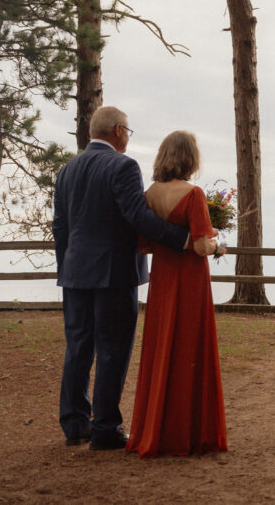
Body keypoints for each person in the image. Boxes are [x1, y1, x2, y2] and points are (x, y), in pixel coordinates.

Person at [54, 106, 190, 451]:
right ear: (117, 130)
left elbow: (61, 227)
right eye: (128, 131)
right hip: (114, 274)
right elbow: (137, 216)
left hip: (75, 274)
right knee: (113, 350)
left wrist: (67, 266)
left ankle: (74, 424)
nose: (128, 136)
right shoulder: (123, 166)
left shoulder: (67, 170)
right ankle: (105, 428)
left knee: (78, 349)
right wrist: (183, 239)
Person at [126, 131, 228, 457]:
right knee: (189, 350)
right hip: (190, 283)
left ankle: (155, 429)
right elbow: (201, 247)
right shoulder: (195, 195)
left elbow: (144, 244)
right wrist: (218, 243)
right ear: (191, 158)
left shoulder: (148, 195)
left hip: (163, 280)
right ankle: (189, 433)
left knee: (162, 350)